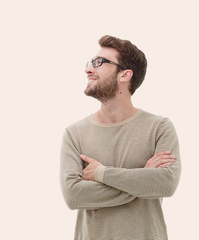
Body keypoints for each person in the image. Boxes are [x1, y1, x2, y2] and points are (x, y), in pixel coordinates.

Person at [60, 35, 181, 240]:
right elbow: (73, 196)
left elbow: (166, 184)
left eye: (99, 63)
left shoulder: (159, 127)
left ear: (125, 75)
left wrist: (101, 173)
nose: (89, 69)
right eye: (90, 62)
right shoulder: (75, 133)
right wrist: (142, 179)